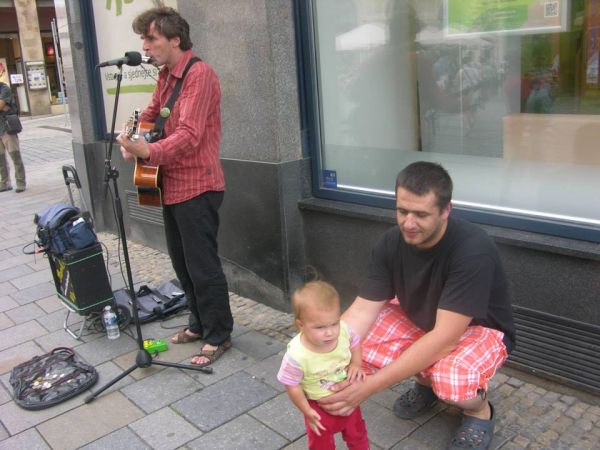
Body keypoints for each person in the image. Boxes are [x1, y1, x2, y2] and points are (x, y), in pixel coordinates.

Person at [318, 162, 515, 450]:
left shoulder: (473, 249)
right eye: (402, 211)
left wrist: (368, 388)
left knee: (452, 382)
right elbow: (362, 310)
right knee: (355, 344)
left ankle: (479, 412)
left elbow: (444, 339)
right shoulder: (390, 242)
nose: (408, 223)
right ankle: (426, 385)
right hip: (425, 319)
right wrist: (317, 352)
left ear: (446, 210)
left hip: (479, 329)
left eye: (421, 214)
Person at [117, 6, 233, 366]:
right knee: (183, 264)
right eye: (143, 39)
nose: (144, 46)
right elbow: (152, 114)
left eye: (150, 38)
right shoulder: (167, 75)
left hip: (198, 186)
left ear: (175, 39)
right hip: (170, 185)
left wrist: (148, 151)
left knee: (203, 266)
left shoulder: (200, 75)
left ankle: (219, 334)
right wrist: (132, 136)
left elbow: (189, 135)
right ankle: (199, 324)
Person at [278, 281, 370, 450]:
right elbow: (291, 384)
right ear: (301, 325)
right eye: (320, 327)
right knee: (321, 445)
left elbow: (355, 342)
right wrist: (306, 411)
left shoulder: (343, 330)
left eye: (334, 323)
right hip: (318, 406)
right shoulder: (297, 355)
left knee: (357, 434)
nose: (330, 332)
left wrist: (357, 364)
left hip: (348, 396)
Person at [0, 81, 26, 193]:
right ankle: (5, 183)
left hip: (7, 128)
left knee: (15, 157)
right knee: (0, 160)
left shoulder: (4, 88)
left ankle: (20, 182)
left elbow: (1, 105)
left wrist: (3, 106)